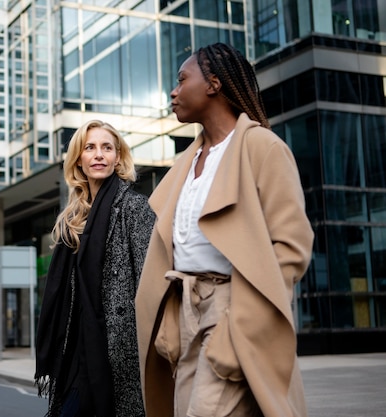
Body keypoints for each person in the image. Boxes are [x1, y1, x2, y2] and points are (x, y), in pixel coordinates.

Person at [135, 43, 314, 417]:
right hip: (184, 308)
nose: (174, 90)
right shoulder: (185, 163)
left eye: (183, 80)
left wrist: (247, 319)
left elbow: (291, 245)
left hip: (234, 304)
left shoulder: (262, 148)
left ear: (214, 84)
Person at [35, 120, 156, 417]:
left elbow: (150, 282)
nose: (99, 154)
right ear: (79, 159)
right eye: (90, 148)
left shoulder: (135, 208)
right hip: (76, 349)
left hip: (118, 350)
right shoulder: (71, 220)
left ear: (117, 158)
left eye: (107, 148)